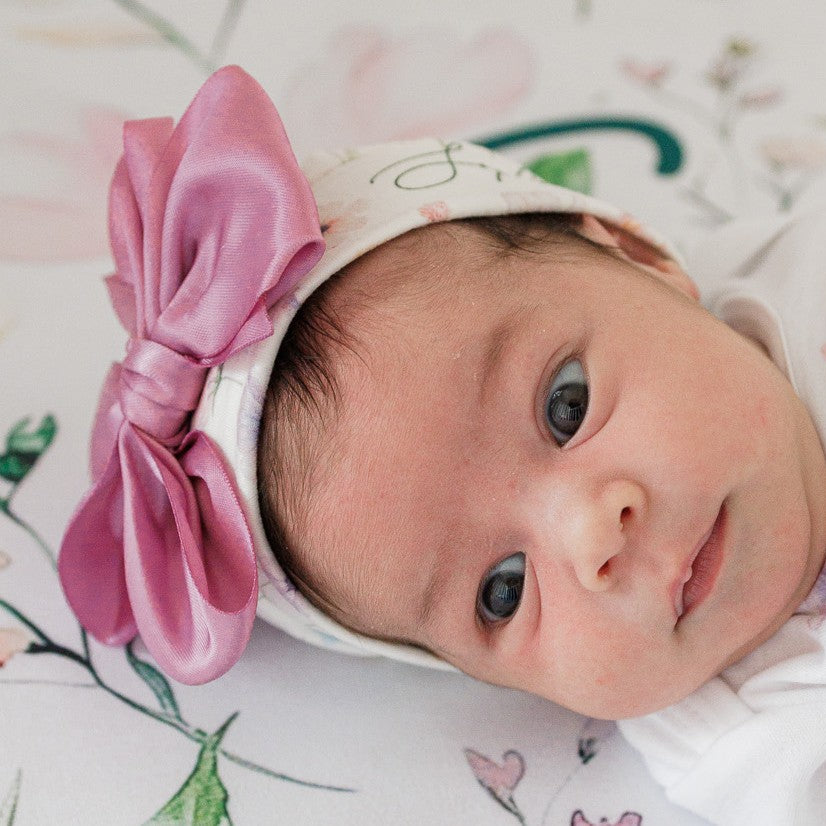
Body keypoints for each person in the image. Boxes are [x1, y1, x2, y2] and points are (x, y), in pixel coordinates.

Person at [58, 66, 826, 824]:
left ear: (641, 258)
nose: (592, 535)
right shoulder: (757, 744)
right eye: (504, 589)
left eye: (568, 407)